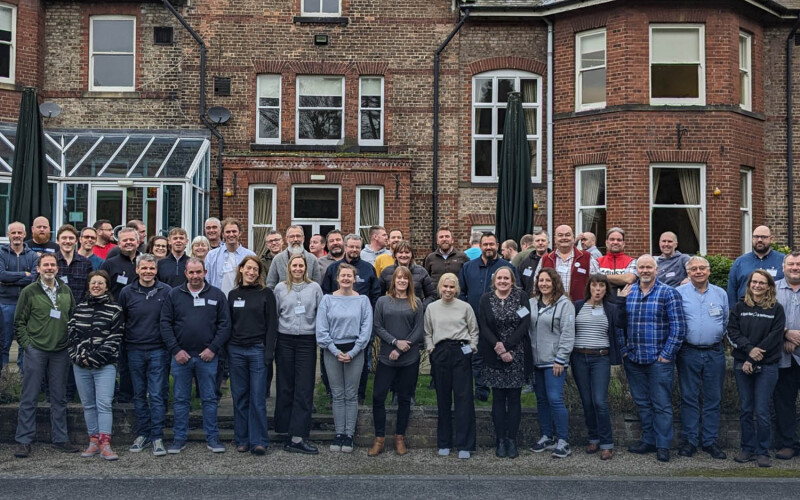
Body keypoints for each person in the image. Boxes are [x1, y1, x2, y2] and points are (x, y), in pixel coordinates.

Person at [618, 254, 685, 463]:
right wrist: (624, 350)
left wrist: (666, 354)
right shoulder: (628, 292)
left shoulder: (669, 293)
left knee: (661, 404)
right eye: (641, 267)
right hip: (634, 358)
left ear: (656, 270)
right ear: (636, 270)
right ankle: (648, 440)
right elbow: (619, 323)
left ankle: (663, 445)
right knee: (642, 403)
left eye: (649, 267)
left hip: (659, 360)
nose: (645, 270)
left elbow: (678, 327)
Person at [160, 258, 231, 454]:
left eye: (198, 272)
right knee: (181, 400)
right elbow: (165, 323)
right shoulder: (174, 294)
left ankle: (213, 438)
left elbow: (225, 325)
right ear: (185, 273)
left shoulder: (216, 295)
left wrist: (213, 349)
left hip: (208, 357)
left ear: (205, 272)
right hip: (181, 357)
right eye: (191, 272)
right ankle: (179, 439)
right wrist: (175, 350)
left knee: (209, 399)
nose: (195, 276)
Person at [13, 253, 77, 458]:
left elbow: (72, 317)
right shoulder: (29, 291)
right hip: (36, 350)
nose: (49, 268)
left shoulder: (65, 290)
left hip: (60, 351)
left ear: (57, 268)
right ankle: (24, 440)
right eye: (45, 265)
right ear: (38, 269)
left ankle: (60, 438)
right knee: (29, 396)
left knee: (59, 397)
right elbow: (19, 322)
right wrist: (27, 345)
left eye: (52, 265)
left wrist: (69, 342)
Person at [727, 269, 785, 468]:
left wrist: (753, 357)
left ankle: (762, 451)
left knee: (761, 410)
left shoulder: (777, 309)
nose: (757, 286)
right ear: (749, 284)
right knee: (746, 409)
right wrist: (749, 350)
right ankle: (747, 449)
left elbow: (775, 336)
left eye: (762, 283)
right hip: (742, 362)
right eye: (754, 282)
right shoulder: (739, 306)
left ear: (769, 286)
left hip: (767, 365)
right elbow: (733, 331)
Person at [675, 256, 729, 460]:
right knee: (689, 397)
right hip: (688, 352)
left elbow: (725, 321)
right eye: (694, 269)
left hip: (715, 352)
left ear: (709, 271)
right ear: (688, 273)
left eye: (702, 268)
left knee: (713, 398)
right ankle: (690, 441)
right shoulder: (679, 293)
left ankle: (710, 441)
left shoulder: (720, 293)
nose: (698, 271)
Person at [118, 254, 171, 457]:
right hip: (134, 350)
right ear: (137, 270)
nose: (148, 272)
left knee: (156, 395)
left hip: (159, 349)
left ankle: (157, 436)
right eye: (144, 268)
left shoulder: (166, 291)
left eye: (151, 268)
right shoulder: (126, 292)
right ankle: (143, 434)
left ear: (156, 270)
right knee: (139, 395)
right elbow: (122, 320)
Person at [316, 263, 372, 453]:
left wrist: (354, 351)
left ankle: (349, 435)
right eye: (343, 276)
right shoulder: (327, 300)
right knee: (337, 394)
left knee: (351, 394)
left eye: (349, 276)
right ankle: (339, 433)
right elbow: (321, 329)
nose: (346, 278)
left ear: (354, 279)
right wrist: (333, 350)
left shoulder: (363, 300)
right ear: (337, 278)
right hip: (332, 351)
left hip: (355, 350)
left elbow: (366, 328)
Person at [68, 270, 123, 461]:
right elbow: (72, 335)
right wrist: (80, 357)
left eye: (100, 283)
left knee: (104, 404)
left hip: (105, 365)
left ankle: (105, 444)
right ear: (88, 286)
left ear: (107, 287)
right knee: (88, 405)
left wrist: (94, 358)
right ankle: (93, 441)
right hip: (80, 365)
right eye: (93, 283)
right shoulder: (79, 308)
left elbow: (115, 338)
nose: (96, 286)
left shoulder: (115, 309)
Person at [369, 266, 424, 457]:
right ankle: (379, 439)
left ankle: (399, 438)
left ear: (409, 282)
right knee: (378, 397)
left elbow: (419, 330)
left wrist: (400, 349)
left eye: (405, 278)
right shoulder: (383, 302)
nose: (402, 281)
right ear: (393, 281)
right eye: (398, 278)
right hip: (386, 357)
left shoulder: (416, 302)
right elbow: (377, 326)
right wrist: (394, 342)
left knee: (404, 398)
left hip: (409, 359)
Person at [458, 232, 519, 401]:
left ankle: (501, 388)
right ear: (480, 246)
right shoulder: (468, 267)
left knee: (498, 354)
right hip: (474, 320)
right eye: (485, 244)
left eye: (492, 244)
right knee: (477, 356)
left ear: (497, 245)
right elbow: (461, 292)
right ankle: (481, 392)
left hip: (500, 322)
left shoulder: (507, 267)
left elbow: (516, 292)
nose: (488, 247)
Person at [227, 256, 278, 455]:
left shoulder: (266, 294)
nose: (251, 272)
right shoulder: (233, 295)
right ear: (241, 269)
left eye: (255, 269)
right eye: (248, 268)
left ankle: (259, 441)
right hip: (236, 351)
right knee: (240, 396)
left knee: (257, 398)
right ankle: (242, 439)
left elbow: (272, 325)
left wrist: (268, 353)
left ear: (259, 273)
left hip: (257, 350)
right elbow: (228, 324)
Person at [477, 266, 529, 459]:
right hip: (494, 354)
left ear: (512, 281)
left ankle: (512, 440)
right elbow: (483, 325)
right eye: (499, 278)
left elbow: (525, 323)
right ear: (494, 281)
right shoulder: (486, 299)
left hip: (516, 354)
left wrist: (507, 347)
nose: (503, 281)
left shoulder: (521, 297)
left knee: (514, 398)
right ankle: (500, 440)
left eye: (506, 278)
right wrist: (498, 348)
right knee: (498, 398)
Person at [424, 273, 478, 459]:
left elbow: (474, 330)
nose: (448, 290)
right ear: (440, 288)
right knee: (443, 398)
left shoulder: (465, 307)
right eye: (445, 286)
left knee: (464, 398)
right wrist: (431, 348)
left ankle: (465, 444)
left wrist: (472, 347)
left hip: (461, 350)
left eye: (451, 287)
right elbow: (427, 332)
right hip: (440, 352)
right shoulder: (432, 308)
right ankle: (444, 442)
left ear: (457, 289)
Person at [274, 254, 323, 454]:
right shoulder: (280, 288)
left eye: (301, 265)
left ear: (306, 268)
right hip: (285, 340)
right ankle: (284, 429)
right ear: (289, 268)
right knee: (285, 385)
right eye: (294, 265)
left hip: (306, 341)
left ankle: (298, 436)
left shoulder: (315, 288)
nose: (297, 269)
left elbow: (321, 314)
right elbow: (275, 314)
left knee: (304, 387)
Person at [571, 274, 623, 460]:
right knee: (587, 401)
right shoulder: (577, 306)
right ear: (589, 288)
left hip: (600, 358)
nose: (598, 289)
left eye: (601, 286)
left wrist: (622, 301)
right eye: (594, 286)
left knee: (599, 401)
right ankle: (593, 438)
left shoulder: (610, 308)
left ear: (606, 289)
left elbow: (621, 323)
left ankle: (606, 443)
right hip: (579, 357)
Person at [528, 267, 575, 459]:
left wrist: (561, 358)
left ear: (555, 282)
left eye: (548, 280)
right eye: (541, 280)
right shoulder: (531, 302)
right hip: (535, 360)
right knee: (541, 399)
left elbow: (568, 333)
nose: (544, 284)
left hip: (554, 361)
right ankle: (547, 436)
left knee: (555, 399)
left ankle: (563, 440)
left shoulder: (565, 304)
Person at [100, 226, 140, 403]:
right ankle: (121, 394)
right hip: (115, 318)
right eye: (125, 240)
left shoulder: (144, 262)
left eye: (132, 239)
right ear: (118, 242)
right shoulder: (110, 264)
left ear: (138, 242)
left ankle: (136, 393)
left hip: (139, 319)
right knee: (117, 359)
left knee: (133, 359)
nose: (129, 243)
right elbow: (103, 289)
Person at [0, 222, 38, 372]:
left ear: (25, 234)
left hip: (26, 305)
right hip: (5, 303)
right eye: (13, 233)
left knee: (24, 343)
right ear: (8, 235)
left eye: (19, 233)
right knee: (4, 342)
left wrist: (8, 280)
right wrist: (23, 274)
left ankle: (23, 377)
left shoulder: (32, 255)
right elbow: (1, 275)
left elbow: (33, 278)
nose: (16, 235)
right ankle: (3, 378)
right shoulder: (1, 253)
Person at [774, 251, 800, 460]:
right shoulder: (771, 290)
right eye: (791, 264)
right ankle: (787, 444)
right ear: (783, 267)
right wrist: (785, 334)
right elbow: (764, 319)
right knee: (784, 403)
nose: (795, 267)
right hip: (783, 356)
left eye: (798, 264)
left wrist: (797, 338)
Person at [534, 224, 599, 301]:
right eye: (560, 235)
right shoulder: (545, 259)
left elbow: (597, 283)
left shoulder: (587, 257)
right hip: (551, 306)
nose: (564, 238)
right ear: (555, 239)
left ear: (573, 238)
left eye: (567, 235)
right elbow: (536, 285)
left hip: (579, 306)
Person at [727, 225, 785, 305]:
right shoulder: (740, 262)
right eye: (756, 237)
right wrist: (733, 310)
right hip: (745, 309)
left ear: (771, 239)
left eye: (763, 237)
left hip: (773, 309)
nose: (759, 240)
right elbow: (732, 290)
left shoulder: (783, 261)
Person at [206, 218, 256, 296]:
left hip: (243, 299)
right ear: (223, 234)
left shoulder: (250, 256)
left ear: (240, 233)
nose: (231, 234)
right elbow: (207, 280)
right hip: (218, 299)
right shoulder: (211, 255)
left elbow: (255, 280)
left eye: (234, 231)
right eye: (228, 232)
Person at [379, 240, 437, 306]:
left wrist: (421, 307)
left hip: (414, 310)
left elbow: (432, 295)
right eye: (400, 252)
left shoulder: (421, 272)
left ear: (411, 254)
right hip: (392, 310)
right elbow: (378, 295)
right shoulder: (386, 272)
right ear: (395, 254)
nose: (404, 255)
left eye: (407, 252)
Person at [423, 227, 470, 293]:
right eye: (441, 237)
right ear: (437, 241)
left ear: (452, 240)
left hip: (456, 296)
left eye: (447, 236)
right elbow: (426, 280)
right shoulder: (430, 258)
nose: (444, 239)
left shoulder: (463, 257)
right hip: (435, 297)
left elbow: (469, 279)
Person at [55, 224, 92, 305]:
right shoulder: (51, 262)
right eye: (64, 238)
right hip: (55, 308)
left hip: (79, 308)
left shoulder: (86, 263)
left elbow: (89, 289)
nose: (68, 241)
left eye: (71, 238)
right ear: (57, 241)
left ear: (76, 241)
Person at [596, 227, 637, 295]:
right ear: (606, 242)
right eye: (612, 239)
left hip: (623, 300)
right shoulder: (597, 261)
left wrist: (601, 277)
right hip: (601, 300)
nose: (615, 242)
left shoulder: (632, 261)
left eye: (619, 240)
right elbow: (593, 280)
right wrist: (620, 279)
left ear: (623, 243)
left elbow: (629, 279)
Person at [518, 230, 550, 295]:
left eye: (543, 240)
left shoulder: (554, 260)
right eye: (537, 241)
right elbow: (520, 285)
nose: (540, 243)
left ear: (548, 242)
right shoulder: (525, 263)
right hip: (530, 299)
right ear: (533, 243)